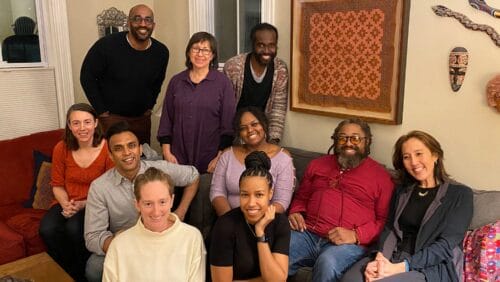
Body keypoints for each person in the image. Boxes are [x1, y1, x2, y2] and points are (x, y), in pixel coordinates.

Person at [341, 130, 473, 282]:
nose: (414, 162)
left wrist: (399, 268)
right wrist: (380, 260)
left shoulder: (460, 195)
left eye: (419, 154)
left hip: (429, 266)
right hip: (391, 256)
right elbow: (389, 228)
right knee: (350, 279)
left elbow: (445, 245)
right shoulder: (402, 191)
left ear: (435, 156)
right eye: (406, 157)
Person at [84, 121, 200, 282]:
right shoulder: (99, 187)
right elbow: (93, 237)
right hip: (125, 245)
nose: (126, 153)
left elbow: (193, 176)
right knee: (94, 268)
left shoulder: (160, 170)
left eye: (131, 145)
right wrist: (122, 243)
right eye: (118, 148)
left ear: (140, 149)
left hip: (164, 238)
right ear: (110, 155)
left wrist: (181, 211)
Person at [287, 118, 395, 282]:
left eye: (356, 138)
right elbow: (301, 197)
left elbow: (384, 221)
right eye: (342, 137)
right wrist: (296, 211)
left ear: (367, 143)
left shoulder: (381, 177)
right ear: (335, 141)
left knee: (327, 262)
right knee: (277, 250)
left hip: (348, 245)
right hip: (307, 235)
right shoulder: (317, 165)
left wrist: (356, 235)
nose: (348, 143)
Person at [39, 103, 114, 282]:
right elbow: (56, 184)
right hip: (66, 201)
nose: (82, 128)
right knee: (46, 229)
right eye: (76, 123)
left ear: (96, 123)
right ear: (69, 125)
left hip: (95, 204)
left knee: (74, 229)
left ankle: (81, 274)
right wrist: (66, 203)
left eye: (87, 122)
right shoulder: (61, 147)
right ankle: (66, 271)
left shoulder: (107, 149)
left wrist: (83, 204)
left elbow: (110, 189)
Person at [80, 4, 169, 145]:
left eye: (148, 20)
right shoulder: (106, 46)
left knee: (142, 159)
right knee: (112, 161)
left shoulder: (161, 52)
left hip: (141, 120)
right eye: (137, 19)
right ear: (128, 23)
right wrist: (101, 110)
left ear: (153, 24)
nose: (143, 24)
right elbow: (87, 76)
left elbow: (158, 81)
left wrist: (150, 106)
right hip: (111, 119)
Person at [102, 167, 205, 282]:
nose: (156, 212)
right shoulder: (119, 245)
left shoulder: (191, 237)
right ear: (137, 205)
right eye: (148, 204)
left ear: (172, 200)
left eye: (162, 202)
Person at [157, 31, 235, 173]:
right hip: (177, 157)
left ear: (212, 55)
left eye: (205, 50)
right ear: (188, 52)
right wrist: (167, 153)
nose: (200, 54)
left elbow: (228, 125)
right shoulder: (176, 81)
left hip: (210, 158)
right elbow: (166, 120)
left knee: (205, 193)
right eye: (195, 49)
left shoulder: (223, 83)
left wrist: (220, 157)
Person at [210, 151, 290, 281]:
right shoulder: (225, 225)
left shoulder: (280, 222)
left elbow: (277, 280)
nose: (251, 203)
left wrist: (260, 233)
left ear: (270, 193)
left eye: (259, 195)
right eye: (245, 195)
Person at [210, 106, 294, 216]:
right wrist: (230, 221)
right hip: (229, 220)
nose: (250, 130)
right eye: (243, 128)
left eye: (254, 124)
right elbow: (217, 192)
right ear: (239, 133)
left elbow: (281, 201)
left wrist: (256, 223)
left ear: (264, 125)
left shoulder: (283, 158)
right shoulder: (228, 155)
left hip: (266, 223)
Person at [223, 22, 288, 143]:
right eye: (261, 45)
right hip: (235, 132)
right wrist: (229, 141)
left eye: (271, 45)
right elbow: (226, 108)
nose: (267, 51)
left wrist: (273, 141)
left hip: (262, 134)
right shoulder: (233, 66)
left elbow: (278, 109)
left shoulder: (280, 70)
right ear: (252, 45)